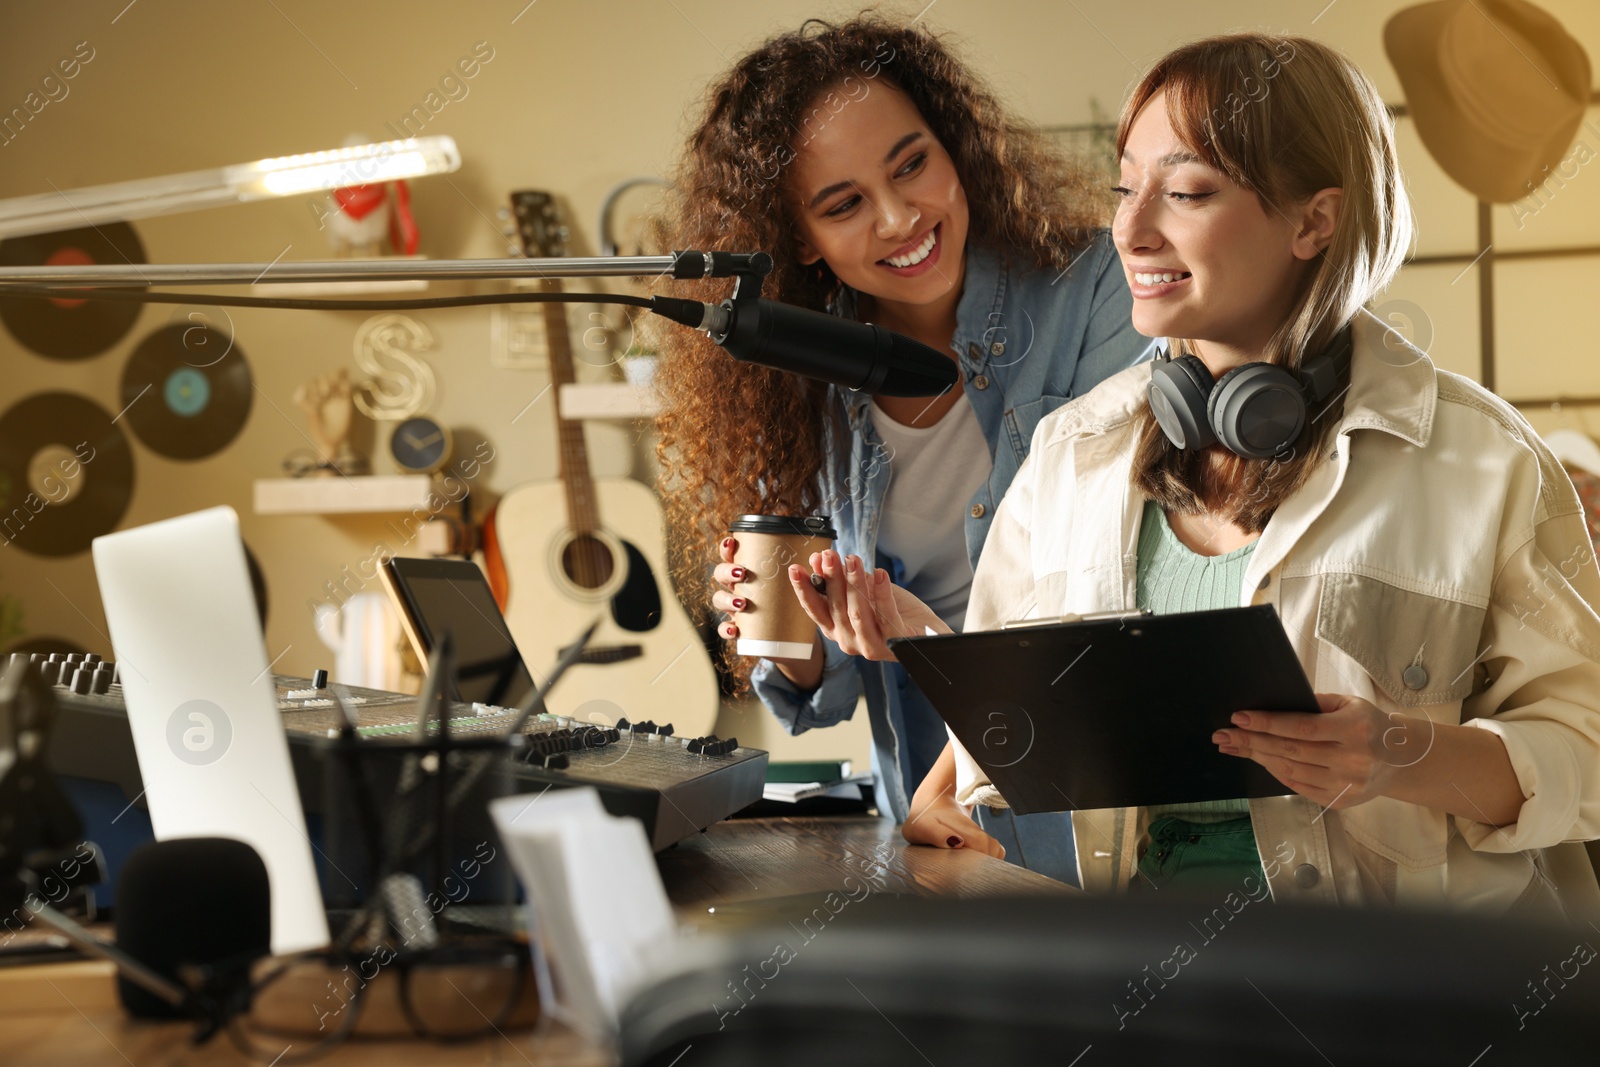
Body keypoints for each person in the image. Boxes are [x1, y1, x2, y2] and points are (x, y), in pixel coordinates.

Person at [796, 31, 1600, 916]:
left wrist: (1402, 754)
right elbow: (1014, 702)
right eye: (1124, 188)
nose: (1131, 231)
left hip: (1416, 1004)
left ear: (1314, 221)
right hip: (1158, 992)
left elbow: (1587, 753)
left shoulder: (1485, 460)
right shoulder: (1072, 456)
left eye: (1184, 192)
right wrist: (948, 783)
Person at [651, 13, 1154, 877]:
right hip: (934, 825)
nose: (898, 217)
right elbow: (819, 698)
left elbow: (1116, 588)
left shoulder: (1095, 288)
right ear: (798, 237)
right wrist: (795, 625)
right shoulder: (786, 371)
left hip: (1096, 808)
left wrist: (937, 646)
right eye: (843, 205)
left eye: (912, 164)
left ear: (954, 147)